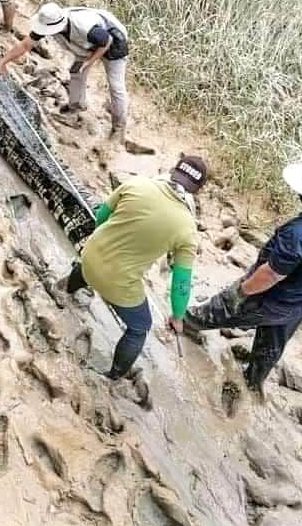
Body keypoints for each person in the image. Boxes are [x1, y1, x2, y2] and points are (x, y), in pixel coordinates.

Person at [181, 161, 302, 394]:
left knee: (217, 311)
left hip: (272, 297)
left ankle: (183, 323)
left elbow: (270, 275)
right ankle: (254, 381)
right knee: (272, 344)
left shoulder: (299, 234)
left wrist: (239, 292)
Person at [61, 156, 207, 380]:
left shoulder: (137, 183)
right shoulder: (187, 229)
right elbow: (181, 283)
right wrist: (177, 317)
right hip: (118, 283)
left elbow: (102, 216)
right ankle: (114, 376)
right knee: (140, 327)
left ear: (173, 170)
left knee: (88, 266)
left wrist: (105, 241)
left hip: (90, 254)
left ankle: (66, 293)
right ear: (197, 190)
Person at [0, 0, 129, 134]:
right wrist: (2, 62)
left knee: (116, 87)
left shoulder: (83, 26)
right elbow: (25, 45)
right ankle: (76, 107)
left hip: (114, 43)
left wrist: (90, 61)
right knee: (76, 72)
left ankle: (118, 128)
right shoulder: (49, 20)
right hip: (86, 44)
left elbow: (107, 41)